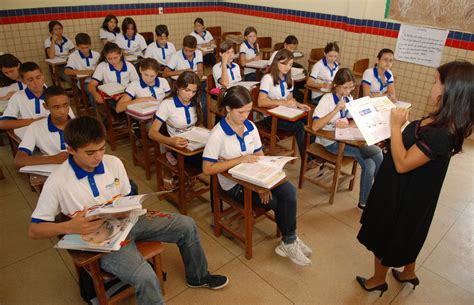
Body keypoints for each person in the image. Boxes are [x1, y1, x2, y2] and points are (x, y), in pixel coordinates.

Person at [28, 116, 229, 305]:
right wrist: (69, 226)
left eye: (101, 148)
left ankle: (198, 276)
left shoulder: (113, 163)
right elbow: (35, 231)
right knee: (145, 276)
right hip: (103, 239)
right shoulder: (57, 181)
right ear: (71, 149)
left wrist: (128, 206)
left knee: (187, 224)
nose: (98, 156)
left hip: (129, 220)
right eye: (90, 152)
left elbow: (125, 197)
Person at [356, 60, 473, 297]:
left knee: (388, 230)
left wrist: (395, 127)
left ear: (449, 91)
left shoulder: (443, 133)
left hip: (404, 191)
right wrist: (392, 136)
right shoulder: (443, 118)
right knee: (409, 231)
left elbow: (402, 164)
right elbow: (414, 146)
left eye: (435, 82)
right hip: (411, 187)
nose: (432, 86)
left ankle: (378, 279)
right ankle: (409, 271)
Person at [202, 85, 313, 266]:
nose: (245, 116)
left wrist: (265, 181)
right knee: (275, 202)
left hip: (254, 177)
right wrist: (240, 160)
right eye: (241, 112)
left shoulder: (250, 126)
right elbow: (207, 168)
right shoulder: (218, 133)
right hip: (233, 184)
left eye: (248, 111)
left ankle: (289, 240)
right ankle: (289, 240)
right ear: (228, 109)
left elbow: (259, 155)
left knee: (289, 192)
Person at [311, 68, 383, 209]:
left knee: (369, 165)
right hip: (330, 142)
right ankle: (382, 191)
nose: (348, 91)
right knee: (377, 152)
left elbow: (351, 119)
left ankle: (364, 202)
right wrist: (336, 110)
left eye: (351, 87)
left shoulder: (349, 98)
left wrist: (353, 121)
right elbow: (315, 127)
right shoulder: (327, 99)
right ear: (336, 85)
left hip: (346, 139)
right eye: (345, 87)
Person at [148, 71, 203, 190]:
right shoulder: (167, 104)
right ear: (178, 87)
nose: (190, 95)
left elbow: (197, 126)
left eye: (194, 91)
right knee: (210, 162)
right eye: (187, 90)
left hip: (194, 144)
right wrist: (171, 141)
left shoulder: (195, 102)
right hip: (178, 147)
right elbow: (152, 133)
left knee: (218, 155)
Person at [258, 49, 311, 158]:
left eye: (290, 64)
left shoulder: (289, 78)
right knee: (299, 126)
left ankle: (311, 155)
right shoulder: (268, 78)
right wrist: (282, 103)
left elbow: (289, 98)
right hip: (271, 117)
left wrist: (299, 105)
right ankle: (307, 159)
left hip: (285, 114)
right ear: (276, 62)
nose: (287, 67)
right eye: (284, 64)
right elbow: (261, 102)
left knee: (309, 120)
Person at [0, 62, 74, 135]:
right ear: (23, 81)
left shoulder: (55, 95)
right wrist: (35, 121)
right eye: (30, 80)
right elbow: (3, 124)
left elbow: (71, 120)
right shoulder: (17, 97)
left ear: (43, 76)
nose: (36, 82)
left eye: (38, 77)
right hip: (33, 137)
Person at [14, 86, 71, 167]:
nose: (62, 111)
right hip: (53, 172)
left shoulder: (82, 125)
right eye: (56, 107)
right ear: (46, 106)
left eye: (65, 105)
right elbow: (19, 159)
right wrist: (53, 159)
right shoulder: (35, 127)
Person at [65, 33, 100, 110]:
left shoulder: (96, 54)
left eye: (87, 47)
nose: (85, 50)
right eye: (82, 48)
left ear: (90, 45)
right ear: (77, 46)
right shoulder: (73, 56)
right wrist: (84, 72)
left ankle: (109, 112)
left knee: (105, 90)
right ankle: (99, 114)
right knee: (93, 93)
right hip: (84, 82)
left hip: (98, 81)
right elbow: (67, 71)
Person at [44, 20, 74, 85]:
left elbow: (74, 53)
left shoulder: (67, 40)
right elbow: (51, 56)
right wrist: (53, 41)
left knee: (80, 75)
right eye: (55, 29)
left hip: (69, 64)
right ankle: (79, 92)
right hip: (58, 67)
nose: (58, 31)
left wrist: (70, 57)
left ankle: (81, 92)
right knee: (71, 79)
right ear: (51, 31)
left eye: (60, 29)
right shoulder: (48, 41)